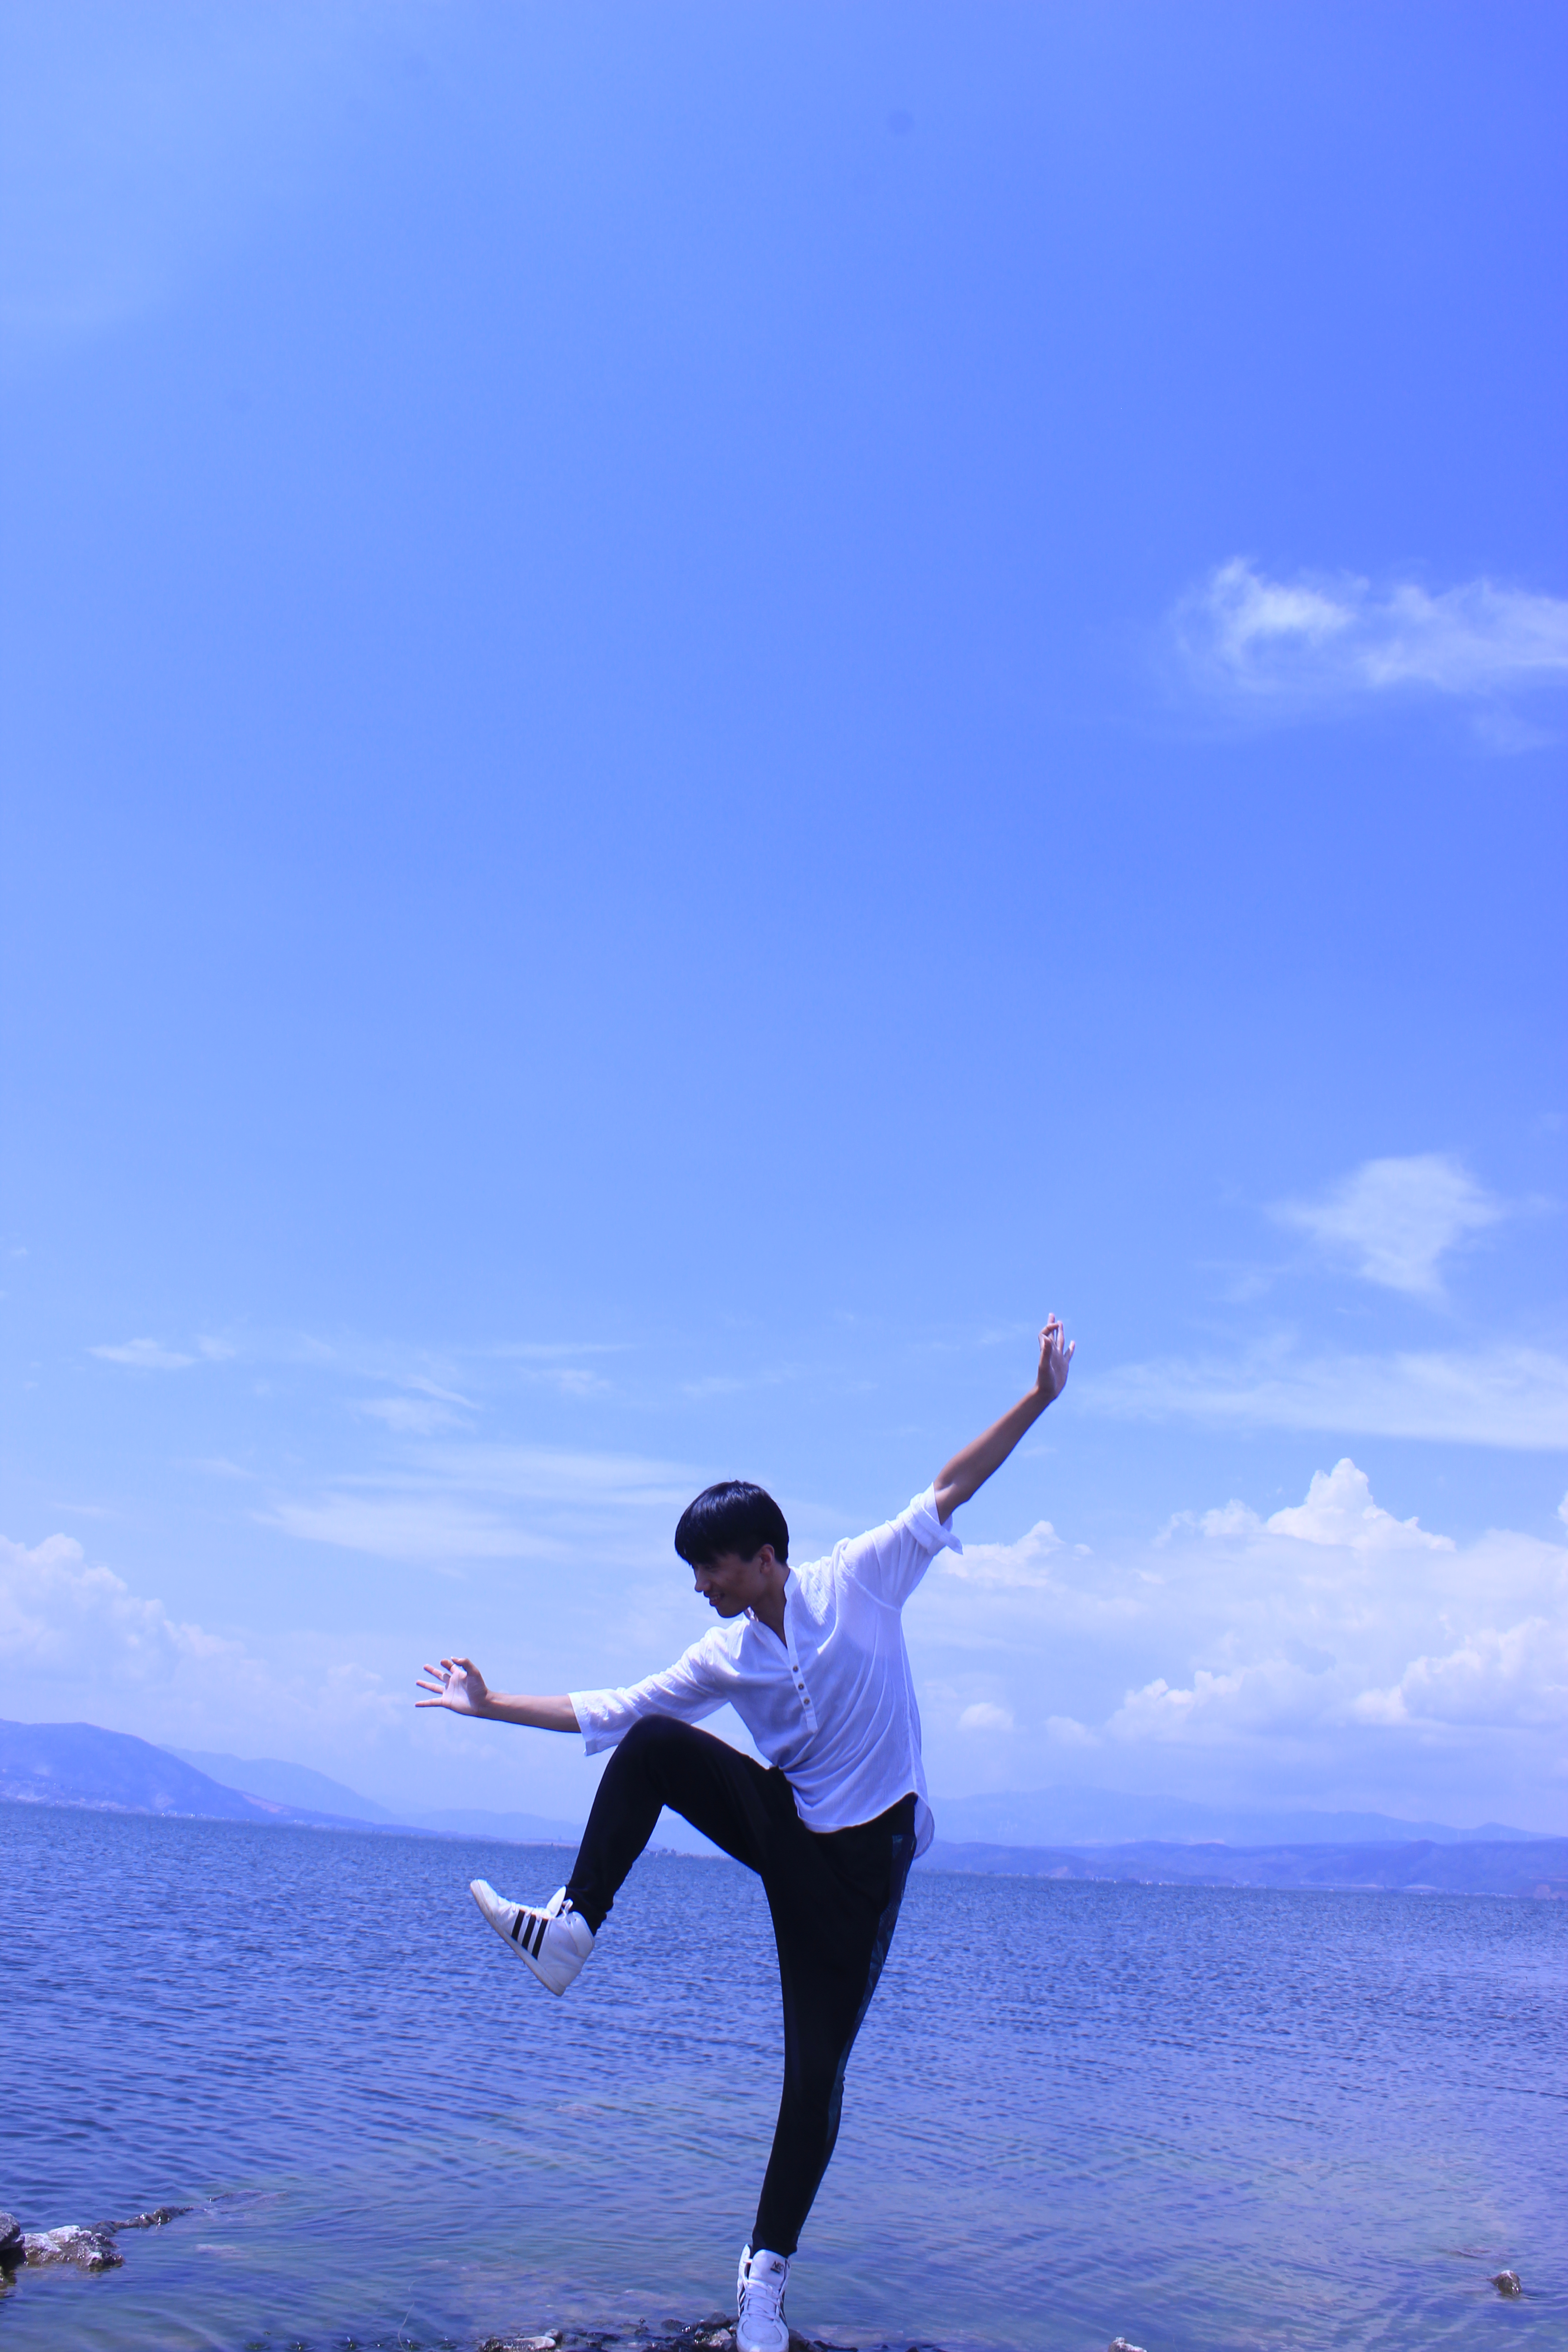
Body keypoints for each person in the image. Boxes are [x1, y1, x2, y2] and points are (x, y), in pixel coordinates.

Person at [416, 1318, 1074, 2352]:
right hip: (791, 1834)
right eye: (695, 1573)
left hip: (866, 1873)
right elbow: (612, 1706)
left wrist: (1037, 1398)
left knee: (814, 2078)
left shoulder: (862, 1577)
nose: (701, 1586)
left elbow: (948, 1488)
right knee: (655, 1742)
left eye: (712, 1567)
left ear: (766, 1556)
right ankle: (574, 1929)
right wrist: (490, 1705)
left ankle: (763, 2279)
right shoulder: (725, 1655)